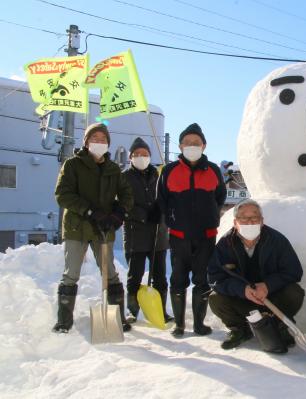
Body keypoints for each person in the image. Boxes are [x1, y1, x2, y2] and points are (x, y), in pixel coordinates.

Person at [52, 122, 133, 333]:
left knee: (110, 273)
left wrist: (118, 213)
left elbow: (126, 195)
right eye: (94, 139)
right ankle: (64, 321)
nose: (99, 142)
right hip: (77, 227)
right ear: (86, 142)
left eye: (103, 139)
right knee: (71, 273)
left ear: (108, 144)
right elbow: (62, 194)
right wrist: (89, 211)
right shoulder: (72, 165)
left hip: (103, 227)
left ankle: (117, 319)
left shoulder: (113, 169)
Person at [156, 123, 226, 337]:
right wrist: (173, 219)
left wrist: (210, 216)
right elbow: (162, 201)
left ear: (204, 146)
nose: (192, 146)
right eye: (187, 143)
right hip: (179, 237)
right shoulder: (169, 170)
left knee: (202, 279)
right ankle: (179, 324)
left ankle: (198, 324)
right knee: (178, 279)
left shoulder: (213, 170)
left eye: (196, 143)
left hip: (206, 237)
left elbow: (220, 197)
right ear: (180, 146)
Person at [207, 199, 305, 351]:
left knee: (294, 292)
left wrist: (268, 285)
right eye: (243, 218)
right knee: (215, 298)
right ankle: (240, 329)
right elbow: (215, 278)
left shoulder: (277, 240)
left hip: (271, 298)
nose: (249, 222)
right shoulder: (225, 244)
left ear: (262, 221)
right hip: (242, 298)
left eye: (254, 217)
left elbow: (294, 271)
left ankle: (280, 326)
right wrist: (242, 290)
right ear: (235, 222)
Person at [122, 137, 172, 324]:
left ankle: (161, 311)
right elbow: (123, 202)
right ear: (130, 157)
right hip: (136, 232)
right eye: (137, 154)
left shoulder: (160, 175)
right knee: (134, 275)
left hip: (158, 232)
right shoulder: (124, 177)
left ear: (150, 156)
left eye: (144, 154)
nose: (141, 157)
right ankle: (132, 311)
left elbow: (168, 198)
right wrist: (144, 214)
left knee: (160, 276)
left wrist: (161, 210)